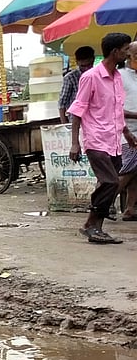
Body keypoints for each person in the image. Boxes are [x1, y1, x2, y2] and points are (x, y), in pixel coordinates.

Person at [69, 32, 137, 245]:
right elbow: (78, 110)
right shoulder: (90, 77)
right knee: (110, 182)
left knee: (108, 182)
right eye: (126, 49)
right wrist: (74, 143)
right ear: (115, 51)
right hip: (96, 139)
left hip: (114, 140)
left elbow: (116, 110)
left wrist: (127, 134)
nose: (128, 54)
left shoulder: (117, 77)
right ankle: (91, 224)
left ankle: (95, 226)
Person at [117, 42, 137, 221]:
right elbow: (114, 107)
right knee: (128, 170)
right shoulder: (121, 76)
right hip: (127, 132)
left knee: (135, 171)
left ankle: (130, 208)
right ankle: (104, 202)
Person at [60, 46, 97, 124]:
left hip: (95, 120)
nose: (86, 69)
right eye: (83, 66)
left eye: (89, 65)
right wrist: (65, 125)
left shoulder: (98, 76)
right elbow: (62, 103)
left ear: (93, 60)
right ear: (77, 62)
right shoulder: (70, 78)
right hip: (77, 121)